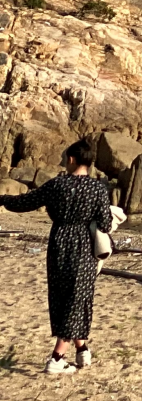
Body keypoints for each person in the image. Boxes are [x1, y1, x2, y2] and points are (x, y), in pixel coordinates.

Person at [2, 139, 114, 374]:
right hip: (84, 245)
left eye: (65, 158)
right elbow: (105, 223)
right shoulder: (97, 189)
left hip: (59, 242)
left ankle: (82, 350)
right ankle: (56, 358)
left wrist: (2, 199)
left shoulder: (57, 185)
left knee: (66, 295)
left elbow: (25, 202)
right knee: (78, 297)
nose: (64, 162)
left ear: (72, 160)